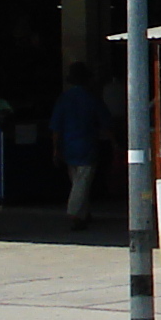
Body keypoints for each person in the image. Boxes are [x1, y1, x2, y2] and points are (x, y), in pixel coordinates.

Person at [50, 63, 107, 229]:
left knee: (76, 180)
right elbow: (105, 122)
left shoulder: (64, 98)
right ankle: (75, 213)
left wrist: (55, 149)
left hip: (68, 146)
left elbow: (55, 127)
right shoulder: (91, 98)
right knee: (82, 182)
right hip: (87, 145)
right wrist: (114, 142)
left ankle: (84, 213)